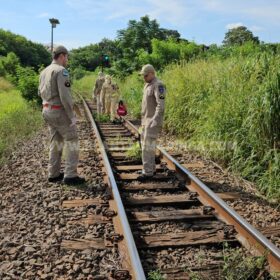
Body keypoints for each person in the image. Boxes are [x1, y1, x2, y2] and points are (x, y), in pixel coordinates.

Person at [38, 45, 85, 185]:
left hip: (47, 110)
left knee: (56, 141)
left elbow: (40, 93)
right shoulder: (61, 71)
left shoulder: (44, 71)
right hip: (59, 111)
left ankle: (53, 174)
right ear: (62, 55)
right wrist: (71, 116)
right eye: (67, 57)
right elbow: (65, 96)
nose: (67, 60)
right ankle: (70, 175)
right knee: (72, 140)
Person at [138, 64, 166, 181]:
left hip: (152, 121)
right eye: (143, 75)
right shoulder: (147, 85)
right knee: (147, 146)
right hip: (146, 120)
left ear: (152, 73)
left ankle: (148, 172)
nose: (143, 77)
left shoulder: (158, 85)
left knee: (147, 147)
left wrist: (154, 120)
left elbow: (161, 105)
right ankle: (150, 168)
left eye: (145, 75)